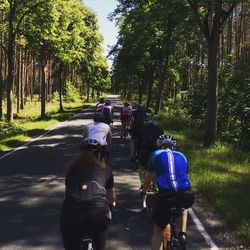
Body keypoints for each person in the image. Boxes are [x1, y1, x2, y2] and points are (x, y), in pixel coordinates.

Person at [60, 139, 116, 250]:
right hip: (98, 211)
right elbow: (111, 197)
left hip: (71, 212)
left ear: (81, 154)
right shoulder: (106, 169)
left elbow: (67, 193)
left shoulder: (72, 169)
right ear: (99, 154)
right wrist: (112, 204)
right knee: (100, 244)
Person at [142, 134, 195, 250]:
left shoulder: (155, 154)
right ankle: (183, 234)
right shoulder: (182, 155)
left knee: (158, 231)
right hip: (187, 195)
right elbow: (186, 176)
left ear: (159, 146)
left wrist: (144, 191)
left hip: (166, 196)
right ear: (173, 146)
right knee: (183, 208)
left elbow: (149, 177)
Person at [137, 116, 164, 208]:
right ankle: (156, 186)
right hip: (156, 151)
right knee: (155, 170)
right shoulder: (160, 129)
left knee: (141, 166)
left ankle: (142, 182)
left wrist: (137, 153)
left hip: (144, 151)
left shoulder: (143, 128)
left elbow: (138, 141)